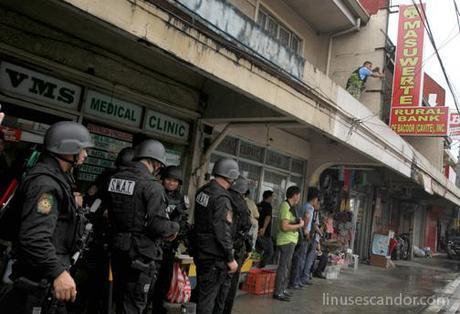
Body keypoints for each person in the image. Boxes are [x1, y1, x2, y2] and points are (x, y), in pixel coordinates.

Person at [0, 121, 93, 314]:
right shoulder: (46, 185)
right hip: (38, 281)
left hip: (45, 279)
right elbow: (34, 237)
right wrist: (58, 272)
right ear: (68, 148)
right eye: (82, 149)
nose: (85, 155)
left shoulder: (58, 178)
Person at [107, 139, 180, 314]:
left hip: (117, 247)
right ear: (155, 163)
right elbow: (157, 225)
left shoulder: (115, 178)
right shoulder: (152, 186)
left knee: (118, 299)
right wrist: (174, 227)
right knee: (134, 304)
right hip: (140, 254)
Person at [192, 158, 239, 314]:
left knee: (202, 293)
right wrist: (230, 258)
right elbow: (222, 232)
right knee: (208, 300)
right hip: (214, 257)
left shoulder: (203, 191)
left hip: (201, 252)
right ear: (231, 177)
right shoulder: (222, 199)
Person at [148, 166, 188, 314]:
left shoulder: (181, 199)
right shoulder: (156, 192)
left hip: (169, 246)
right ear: (163, 179)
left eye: (175, 181)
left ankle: (158, 305)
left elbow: (183, 221)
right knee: (149, 278)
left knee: (165, 278)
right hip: (154, 243)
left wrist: (178, 232)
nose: (171, 183)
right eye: (169, 179)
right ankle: (147, 305)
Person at [223, 176, 252, 314]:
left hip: (218, 248)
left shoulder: (222, 196)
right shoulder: (241, 203)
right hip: (234, 249)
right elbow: (246, 226)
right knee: (230, 285)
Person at [272, 186, 304, 302]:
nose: (299, 197)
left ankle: (282, 289)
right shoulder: (285, 206)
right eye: (299, 195)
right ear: (295, 195)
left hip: (290, 240)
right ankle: (278, 292)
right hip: (286, 240)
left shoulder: (290, 207)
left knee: (286, 266)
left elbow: (287, 222)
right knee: (283, 266)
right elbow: (284, 227)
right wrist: (299, 225)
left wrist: (296, 221)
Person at [301, 190, 322, 285]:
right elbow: (308, 219)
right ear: (315, 200)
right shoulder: (310, 208)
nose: (318, 204)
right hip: (309, 237)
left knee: (304, 258)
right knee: (306, 259)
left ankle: (301, 278)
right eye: (318, 201)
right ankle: (303, 278)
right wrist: (306, 231)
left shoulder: (304, 206)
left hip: (307, 236)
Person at [256, 190, 274, 268]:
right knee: (270, 252)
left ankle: (254, 267)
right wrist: (263, 228)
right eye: (272, 197)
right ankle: (261, 267)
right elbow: (268, 217)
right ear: (269, 197)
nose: (273, 199)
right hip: (265, 233)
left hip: (256, 232)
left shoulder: (258, 205)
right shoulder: (268, 206)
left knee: (258, 251)